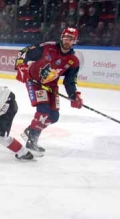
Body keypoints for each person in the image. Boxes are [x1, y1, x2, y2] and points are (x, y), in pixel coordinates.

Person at [15, 27, 82, 156]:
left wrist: (73, 95)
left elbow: (70, 81)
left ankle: (30, 130)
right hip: (34, 82)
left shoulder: (74, 61)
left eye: (71, 39)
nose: (68, 41)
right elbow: (24, 52)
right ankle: (32, 140)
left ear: (75, 41)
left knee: (54, 116)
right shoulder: (47, 47)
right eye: (66, 37)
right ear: (61, 37)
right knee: (43, 111)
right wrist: (21, 67)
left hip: (51, 86)